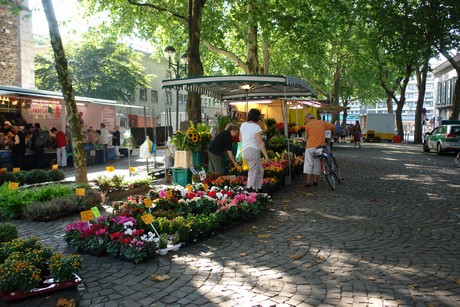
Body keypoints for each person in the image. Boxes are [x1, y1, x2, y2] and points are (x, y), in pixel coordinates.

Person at [239, 109, 269, 190]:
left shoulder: (243, 125)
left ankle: (256, 188)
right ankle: (250, 191)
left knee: (260, 170)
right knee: (252, 172)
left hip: (244, 151)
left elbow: (240, 138)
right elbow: (260, 142)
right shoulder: (256, 127)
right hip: (253, 150)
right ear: (257, 117)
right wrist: (266, 156)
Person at [303, 114, 336, 187]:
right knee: (317, 163)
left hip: (310, 146)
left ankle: (308, 182)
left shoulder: (308, 124)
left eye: (306, 120)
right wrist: (334, 136)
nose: (306, 121)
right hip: (320, 147)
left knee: (308, 163)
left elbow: (307, 136)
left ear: (309, 119)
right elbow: (333, 127)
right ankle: (315, 181)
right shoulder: (322, 122)